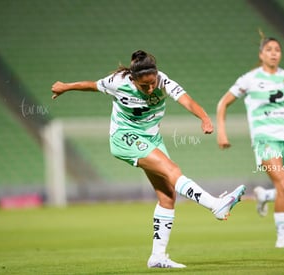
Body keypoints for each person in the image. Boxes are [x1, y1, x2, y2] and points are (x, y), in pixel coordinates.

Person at [51, 50, 245, 268]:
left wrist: (204, 118)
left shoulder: (163, 81)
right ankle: (215, 205)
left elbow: (187, 100)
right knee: (173, 170)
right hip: (124, 137)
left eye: (152, 83)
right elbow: (91, 85)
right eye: (145, 86)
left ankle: (158, 257)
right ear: (133, 79)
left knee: (167, 196)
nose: (151, 88)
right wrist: (65, 87)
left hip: (152, 139)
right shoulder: (118, 81)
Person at [216, 32, 284, 248]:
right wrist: (221, 132)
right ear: (261, 54)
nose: (274, 54)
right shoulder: (250, 79)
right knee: (283, 184)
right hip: (265, 139)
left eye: (277, 50)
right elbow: (223, 103)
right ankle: (282, 239)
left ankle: (266, 195)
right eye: (269, 50)